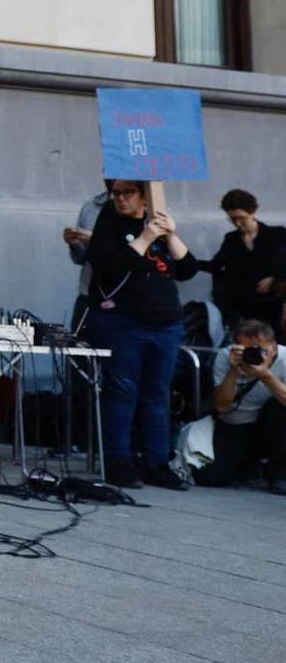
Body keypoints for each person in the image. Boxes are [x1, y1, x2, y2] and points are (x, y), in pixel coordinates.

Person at [83, 179, 200, 490]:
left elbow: (187, 268)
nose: (120, 198)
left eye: (128, 193)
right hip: (123, 321)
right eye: (116, 193)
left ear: (144, 197)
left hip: (165, 322)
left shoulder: (158, 225)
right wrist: (146, 236)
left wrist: (170, 233)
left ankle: (156, 461)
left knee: (157, 394)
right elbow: (111, 266)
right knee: (122, 392)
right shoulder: (109, 224)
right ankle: (119, 460)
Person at [198, 319, 286, 493]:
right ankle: (247, 465)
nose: (254, 355)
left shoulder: (284, 359)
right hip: (236, 426)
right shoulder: (226, 357)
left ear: (274, 348)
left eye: (260, 350)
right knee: (212, 476)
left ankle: (280, 474)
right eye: (247, 350)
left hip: (273, 427)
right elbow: (221, 406)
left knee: (278, 406)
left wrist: (266, 376)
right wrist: (233, 371)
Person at [199, 190, 286, 343]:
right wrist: (184, 258)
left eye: (241, 218)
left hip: (275, 305)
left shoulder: (278, 234)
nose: (237, 223)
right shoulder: (231, 239)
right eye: (232, 219)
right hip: (245, 307)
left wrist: (276, 279)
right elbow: (215, 266)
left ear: (253, 212)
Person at [63, 187, 110, 330]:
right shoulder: (91, 208)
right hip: (88, 295)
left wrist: (96, 239)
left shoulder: (146, 213)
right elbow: (80, 259)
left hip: (123, 300)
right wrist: (75, 243)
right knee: (80, 347)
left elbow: (132, 254)